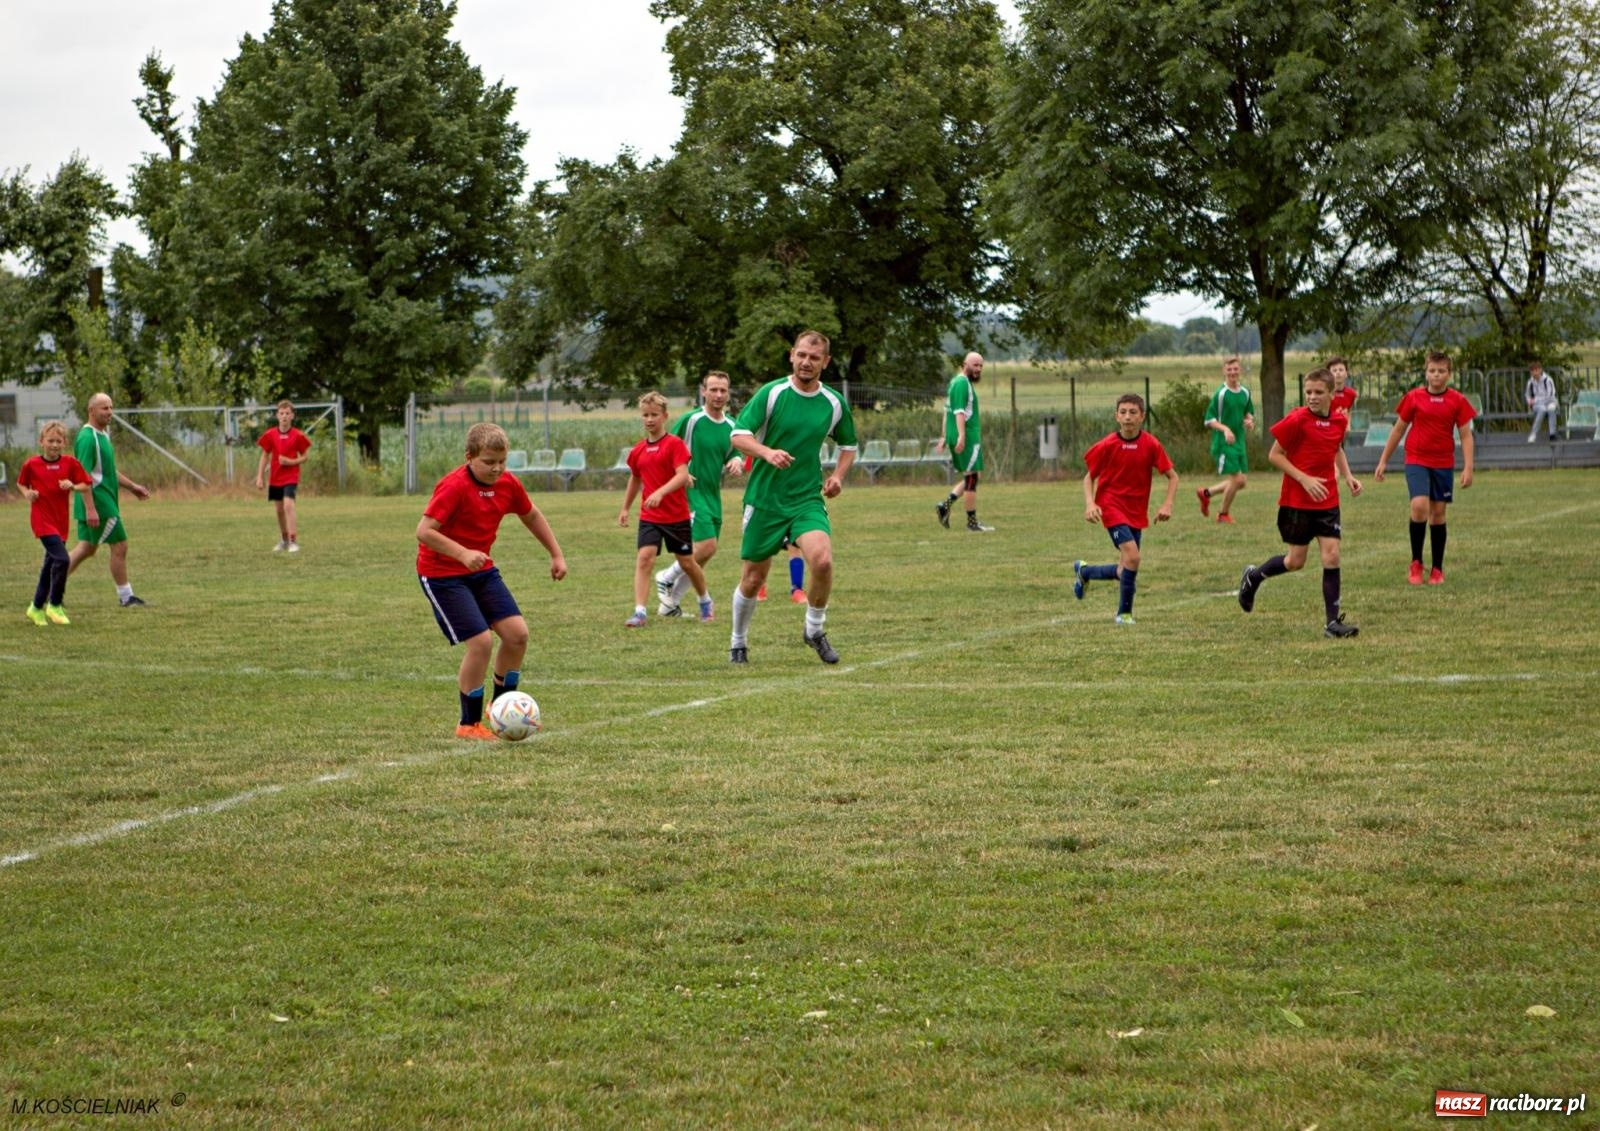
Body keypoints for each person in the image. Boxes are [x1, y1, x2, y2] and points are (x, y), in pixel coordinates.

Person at [416, 422, 567, 740]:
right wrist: (462, 554)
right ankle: (468, 724)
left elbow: (531, 515)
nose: (497, 468)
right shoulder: (454, 486)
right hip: (442, 574)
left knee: (517, 635)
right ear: (469, 457)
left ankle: (501, 709)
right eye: (488, 462)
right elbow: (424, 531)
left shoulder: (508, 483)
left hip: (480, 570)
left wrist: (556, 554)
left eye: (502, 461)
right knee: (481, 642)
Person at [728, 329, 858, 664]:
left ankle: (814, 630)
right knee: (753, 578)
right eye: (801, 355)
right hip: (765, 499)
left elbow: (848, 446)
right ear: (791, 355)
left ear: (825, 362)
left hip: (806, 499)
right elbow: (738, 435)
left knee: (822, 561)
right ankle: (738, 641)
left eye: (814, 357)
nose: (806, 362)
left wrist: (838, 477)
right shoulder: (772, 393)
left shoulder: (833, 403)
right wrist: (766, 452)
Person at [1236, 368, 1362, 638]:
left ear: (1332, 394)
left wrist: (1349, 476)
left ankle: (1332, 624)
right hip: (1297, 502)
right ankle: (1253, 577)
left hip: (1327, 500)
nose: (1312, 397)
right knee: (1295, 561)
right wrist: (1304, 479)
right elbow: (1275, 455)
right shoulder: (1297, 419)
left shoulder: (1339, 421)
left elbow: (1336, 448)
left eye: (1318, 392)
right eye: (1308, 392)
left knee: (1332, 555)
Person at [1073, 393, 1179, 625]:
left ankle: (1084, 572)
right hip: (1111, 506)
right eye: (1123, 412)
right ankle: (1124, 614)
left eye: (1133, 412)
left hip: (1136, 511)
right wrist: (1090, 503)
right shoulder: (1107, 445)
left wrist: (1167, 504)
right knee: (1133, 556)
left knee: (1125, 569)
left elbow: (1173, 476)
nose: (1128, 417)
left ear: (1142, 416)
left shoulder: (1151, 444)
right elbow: (1089, 477)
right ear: (1116, 416)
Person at [1374, 350, 1477, 585]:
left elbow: (1465, 435)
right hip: (1417, 460)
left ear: (1449, 374)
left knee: (1438, 513)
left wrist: (1468, 467)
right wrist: (1383, 460)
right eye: (1432, 371)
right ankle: (1416, 563)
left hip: (1443, 463)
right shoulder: (1413, 397)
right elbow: (1398, 429)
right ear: (1426, 372)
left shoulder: (1457, 400)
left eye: (1441, 371)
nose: (1436, 375)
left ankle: (1437, 569)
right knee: (1419, 506)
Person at [655, 372, 743, 616]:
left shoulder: (732, 425)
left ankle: (669, 605)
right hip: (689, 492)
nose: (718, 395)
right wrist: (680, 474)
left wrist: (736, 460)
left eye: (723, 390)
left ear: (728, 393)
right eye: (713, 389)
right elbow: (666, 448)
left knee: (703, 555)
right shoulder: (692, 420)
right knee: (705, 546)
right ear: (703, 391)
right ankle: (666, 576)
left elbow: (735, 452)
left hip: (713, 494)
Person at [620, 392, 710, 626]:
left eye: (654, 415)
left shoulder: (674, 444)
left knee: (687, 563)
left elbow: (682, 475)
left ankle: (705, 601)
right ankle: (640, 612)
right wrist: (625, 508)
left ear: (665, 416)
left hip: (676, 516)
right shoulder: (638, 450)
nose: (649, 419)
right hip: (650, 517)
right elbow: (635, 479)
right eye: (645, 415)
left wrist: (660, 492)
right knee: (644, 559)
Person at [66, 392, 151, 607]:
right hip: (99, 503)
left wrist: (133, 487)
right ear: (91, 410)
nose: (110, 412)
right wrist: (91, 508)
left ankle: (49, 590)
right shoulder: (88, 438)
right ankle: (126, 597)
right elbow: (82, 476)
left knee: (86, 548)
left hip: (102, 501)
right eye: (105, 408)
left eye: (111, 407)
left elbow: (108, 470)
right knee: (120, 545)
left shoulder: (102, 435)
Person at [17, 421, 96, 626]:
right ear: (41, 441)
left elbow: (86, 484)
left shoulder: (70, 463)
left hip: (60, 522)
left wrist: (72, 486)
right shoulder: (31, 464)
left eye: (58, 441)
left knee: (49, 565)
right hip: (42, 521)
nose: (54, 445)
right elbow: (21, 483)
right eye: (50, 440)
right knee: (62, 559)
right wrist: (28, 493)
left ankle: (35, 608)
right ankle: (54, 604)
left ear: (64, 443)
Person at [933, 351, 993, 532]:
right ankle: (972, 523)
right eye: (975, 365)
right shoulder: (962, 383)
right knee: (972, 477)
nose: (978, 369)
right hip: (967, 436)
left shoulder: (955, 382)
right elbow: (959, 412)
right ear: (965, 364)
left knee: (972, 476)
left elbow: (947, 411)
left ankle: (945, 506)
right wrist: (961, 436)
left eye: (981, 366)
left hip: (959, 434)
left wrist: (944, 436)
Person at [1195, 356, 1254, 524]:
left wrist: (1250, 421)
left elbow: (1248, 412)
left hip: (1239, 441)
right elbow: (1209, 420)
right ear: (1224, 371)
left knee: (1241, 482)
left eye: (1235, 369)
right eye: (1229, 369)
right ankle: (1222, 514)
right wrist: (1225, 429)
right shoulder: (1220, 394)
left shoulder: (1245, 392)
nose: (1232, 372)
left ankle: (1206, 493)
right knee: (1238, 480)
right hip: (1223, 442)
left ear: (1240, 370)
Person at [254, 399, 312, 552]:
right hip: (275, 477)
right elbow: (264, 455)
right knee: (279, 510)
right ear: (277, 415)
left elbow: (305, 457)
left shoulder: (298, 435)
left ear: (292, 415)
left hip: (291, 477)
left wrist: (290, 461)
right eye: (281, 413)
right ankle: (284, 540)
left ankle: (293, 541)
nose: (284, 416)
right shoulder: (270, 434)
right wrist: (259, 477)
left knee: (288, 505)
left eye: (287, 413)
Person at [1525, 360, 1558, 443]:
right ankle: (1533, 434)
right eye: (1532, 371)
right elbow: (1527, 395)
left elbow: (1551, 396)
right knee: (1542, 409)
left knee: (1551, 408)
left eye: (1536, 370)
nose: (1534, 373)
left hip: (1550, 401)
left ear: (1540, 370)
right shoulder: (1530, 382)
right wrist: (1529, 401)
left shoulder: (1548, 380)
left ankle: (1552, 434)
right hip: (1538, 405)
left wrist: (1536, 400)